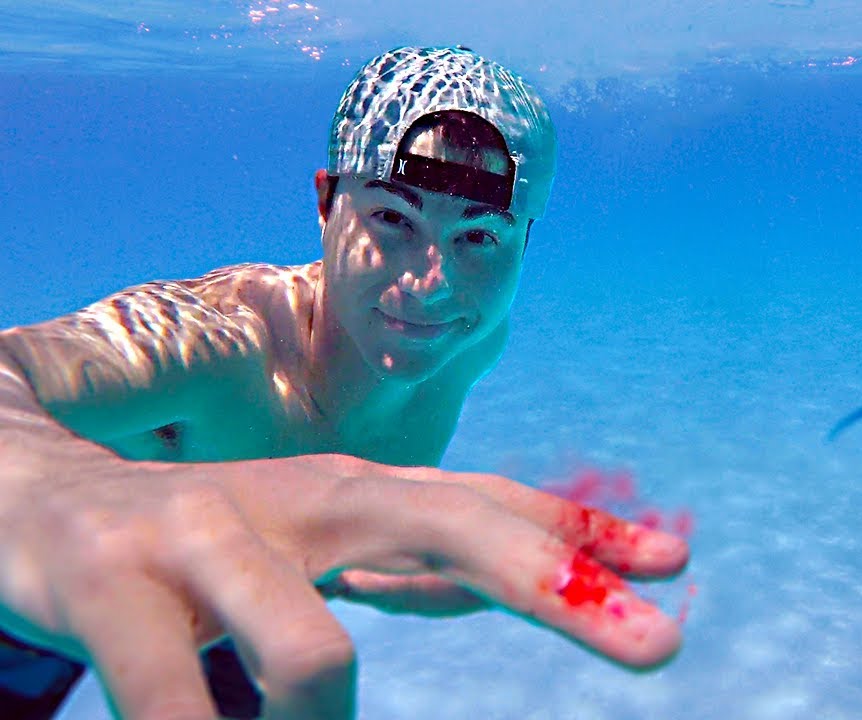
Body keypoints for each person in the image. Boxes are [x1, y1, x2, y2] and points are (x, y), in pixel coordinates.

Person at [0, 46, 689, 720]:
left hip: (243, 605)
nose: (431, 286)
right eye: (393, 218)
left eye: (478, 238)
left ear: (524, 246)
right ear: (328, 204)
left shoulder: (470, 339)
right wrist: (50, 486)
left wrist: (365, 575)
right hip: (39, 580)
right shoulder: (227, 346)